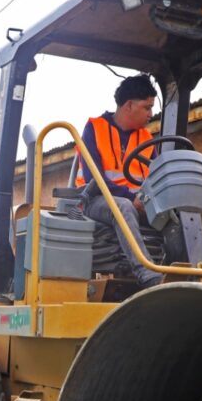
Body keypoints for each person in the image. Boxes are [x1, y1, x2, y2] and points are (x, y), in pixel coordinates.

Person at [77, 74, 161, 288]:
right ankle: (147, 273)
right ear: (129, 105)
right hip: (95, 201)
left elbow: (156, 179)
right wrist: (131, 198)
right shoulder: (94, 129)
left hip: (136, 203)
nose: (151, 114)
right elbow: (94, 179)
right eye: (147, 107)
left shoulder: (146, 139)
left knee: (176, 212)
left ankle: (188, 271)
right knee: (123, 206)